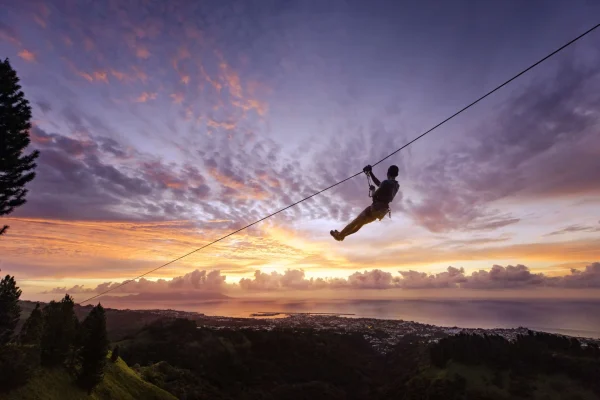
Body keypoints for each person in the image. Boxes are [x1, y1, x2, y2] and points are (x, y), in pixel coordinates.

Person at [330, 164, 400, 241]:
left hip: (375, 209)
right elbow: (380, 184)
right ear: (396, 174)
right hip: (381, 212)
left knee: (356, 221)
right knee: (360, 224)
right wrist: (370, 173)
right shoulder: (396, 185)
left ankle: (340, 235)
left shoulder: (386, 183)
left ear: (388, 173)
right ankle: (343, 235)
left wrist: (373, 189)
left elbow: (374, 195)